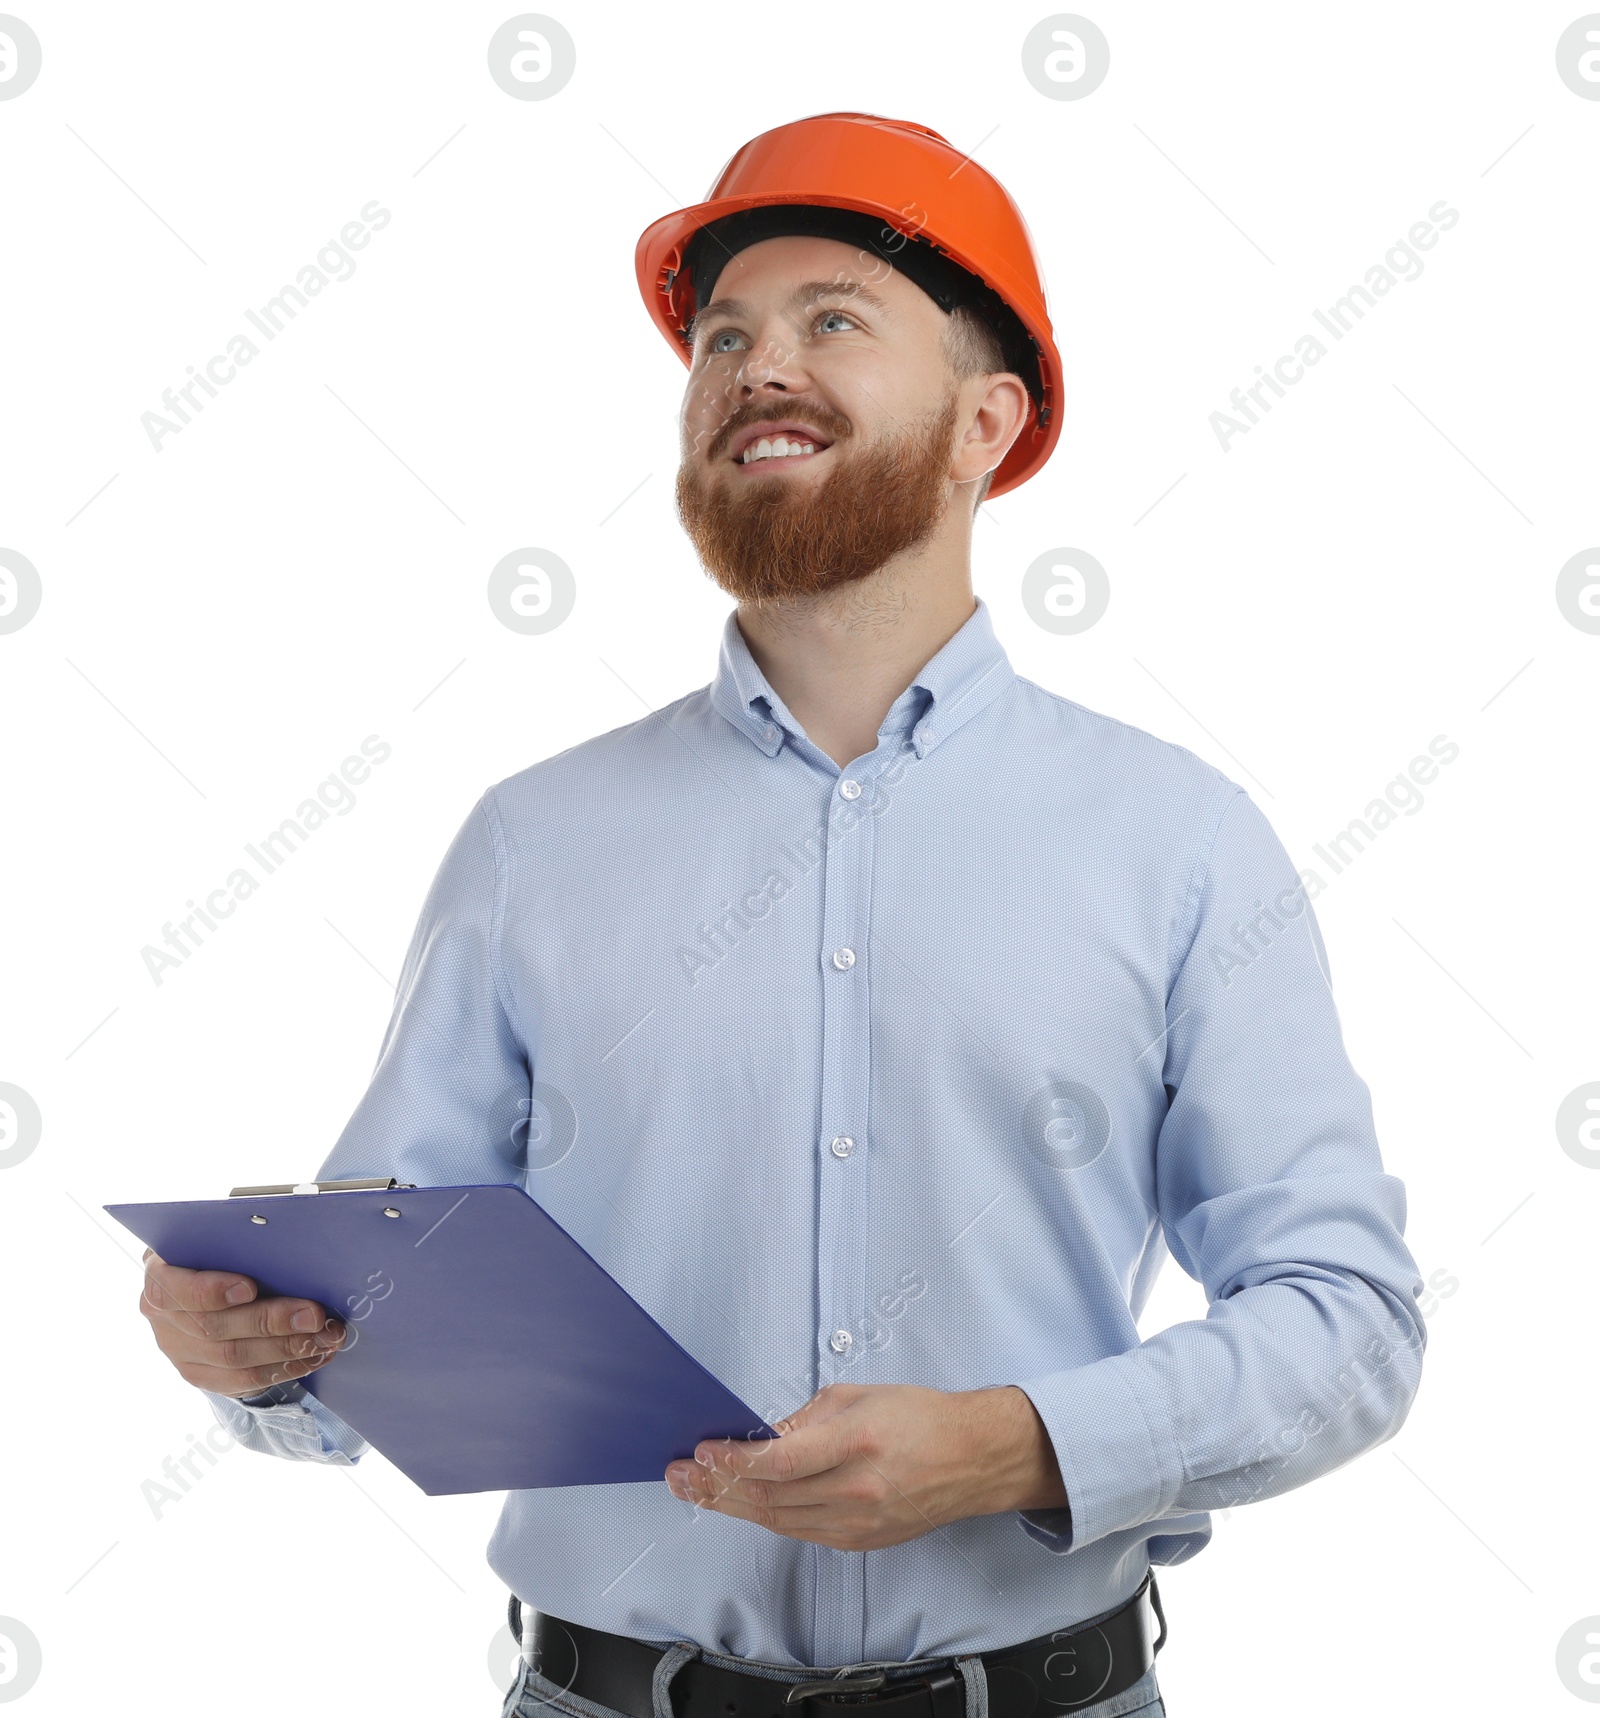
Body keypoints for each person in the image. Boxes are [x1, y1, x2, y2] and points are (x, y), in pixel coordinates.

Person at [139, 113, 1427, 1718]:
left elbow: (1348, 1322)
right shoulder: (532, 841)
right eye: (724, 337)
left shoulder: (1178, 843)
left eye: (832, 319)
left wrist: (1015, 1445)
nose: (756, 365)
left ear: (985, 421)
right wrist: (263, 1349)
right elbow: (388, 1302)